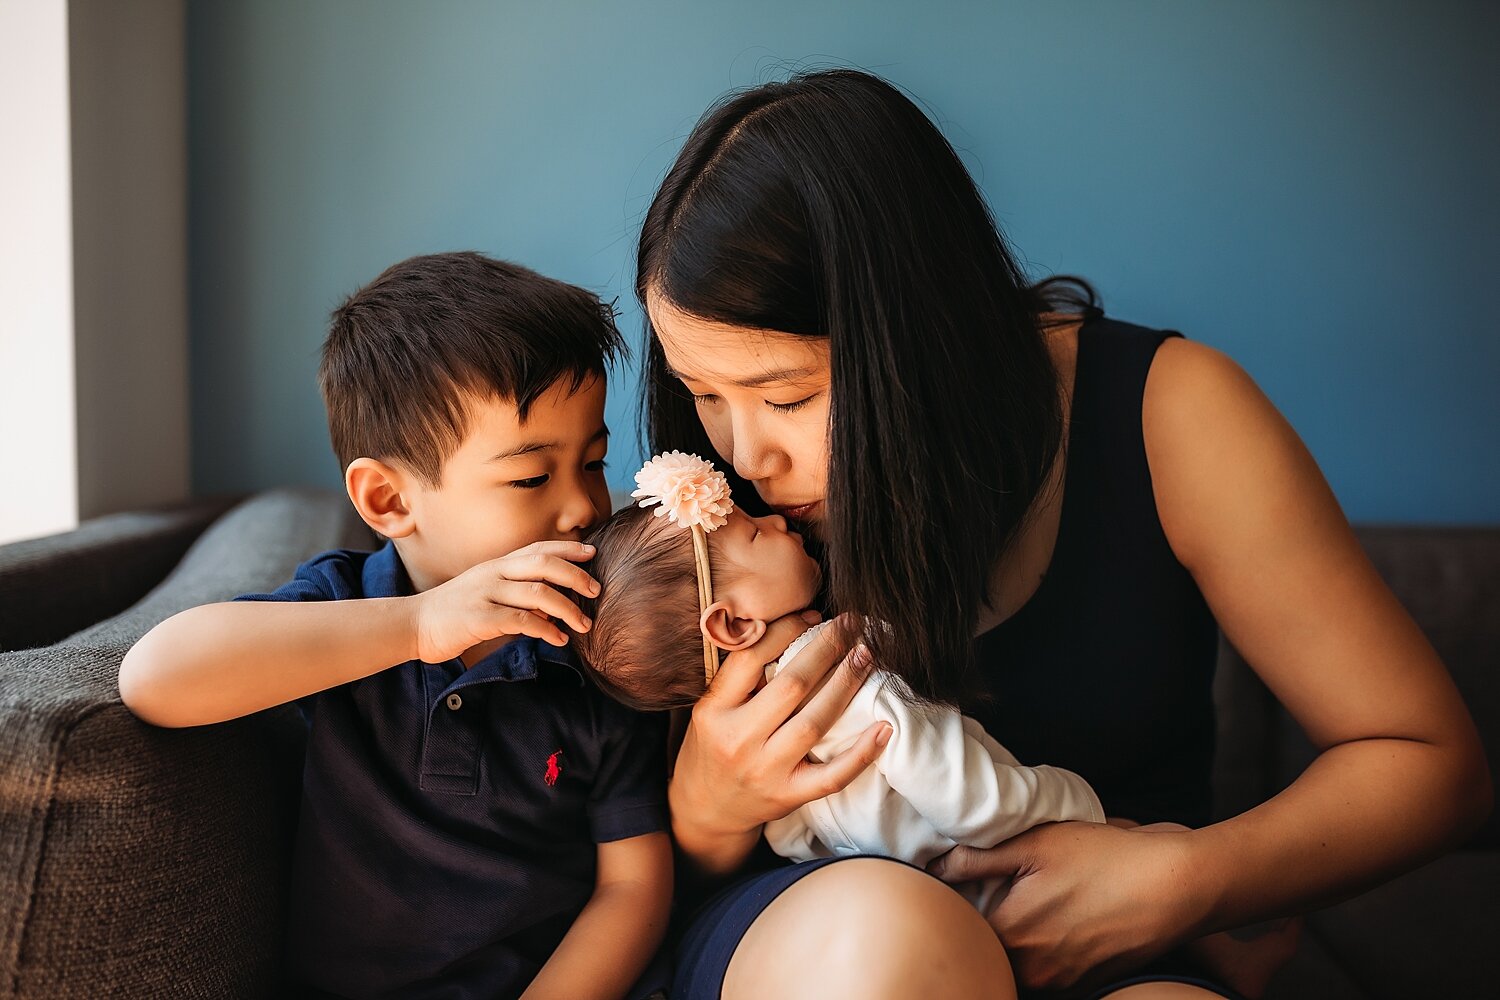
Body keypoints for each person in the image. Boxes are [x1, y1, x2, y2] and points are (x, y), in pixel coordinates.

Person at [634, 70, 1492, 1000]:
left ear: (917, 337)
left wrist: (1190, 882)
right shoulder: (713, 509)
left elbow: (1429, 762)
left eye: (787, 395)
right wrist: (705, 813)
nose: (744, 456)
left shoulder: (1169, 414)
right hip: (819, 929)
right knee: (887, 944)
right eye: (705, 393)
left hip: (1114, 937)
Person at [118, 252, 672, 1000]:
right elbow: (155, 679)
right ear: (387, 502)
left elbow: (633, 887)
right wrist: (418, 626)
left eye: (595, 463)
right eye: (532, 477)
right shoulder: (346, 612)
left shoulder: (599, 649)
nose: (581, 508)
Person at [567, 452, 1297, 997]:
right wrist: (1075, 807)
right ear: (730, 621)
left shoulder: (768, 704)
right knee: (1152, 845)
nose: (773, 515)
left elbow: (792, 834)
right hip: (986, 868)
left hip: (919, 883)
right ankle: (1230, 952)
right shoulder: (847, 684)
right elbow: (964, 788)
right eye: (755, 534)